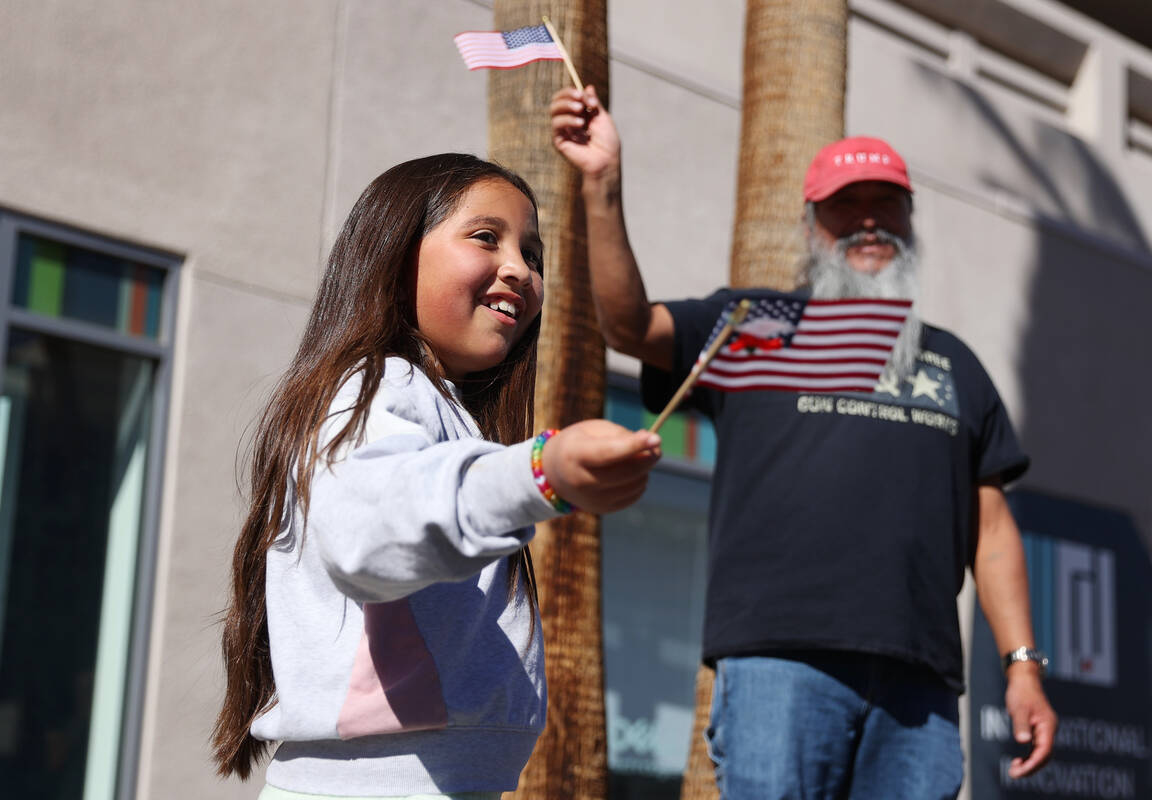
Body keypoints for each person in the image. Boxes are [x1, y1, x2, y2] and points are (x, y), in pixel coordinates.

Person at [550, 87, 1057, 799]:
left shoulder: (956, 364)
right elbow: (629, 327)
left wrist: (1023, 667)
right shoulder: (750, 325)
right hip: (777, 665)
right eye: (846, 204)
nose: (869, 220)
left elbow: (993, 529)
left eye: (888, 203)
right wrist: (603, 185)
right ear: (811, 223)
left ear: (911, 220)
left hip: (921, 682)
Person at [210, 153, 661, 800]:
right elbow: (370, 530)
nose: (520, 270)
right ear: (396, 254)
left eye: (532, 254)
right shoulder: (378, 385)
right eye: (486, 237)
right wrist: (542, 469)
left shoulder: (432, 405)